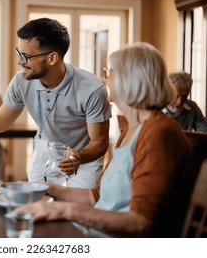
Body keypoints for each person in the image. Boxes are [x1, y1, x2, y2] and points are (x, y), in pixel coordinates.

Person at [17, 42, 193, 238]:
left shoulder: (159, 133)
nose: (105, 76)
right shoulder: (130, 131)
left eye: (110, 70)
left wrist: (63, 210)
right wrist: (46, 189)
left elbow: (140, 222)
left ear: (130, 79)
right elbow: (97, 197)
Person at [0, 18, 111, 188]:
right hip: (44, 152)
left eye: (26, 56)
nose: (20, 61)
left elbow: (100, 141)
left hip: (83, 160)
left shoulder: (92, 90)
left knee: (75, 212)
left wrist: (78, 157)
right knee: (38, 208)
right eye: (18, 53)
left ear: (52, 58)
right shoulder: (21, 81)